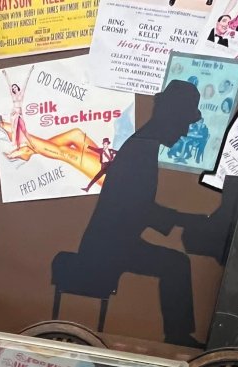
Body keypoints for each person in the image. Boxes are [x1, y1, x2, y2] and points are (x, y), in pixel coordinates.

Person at [70, 80, 206, 347]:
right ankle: (178, 337)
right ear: (172, 117)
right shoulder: (141, 150)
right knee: (176, 264)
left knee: (175, 263)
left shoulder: (142, 145)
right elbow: (137, 208)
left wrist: (180, 220)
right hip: (107, 248)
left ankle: (178, 335)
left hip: (112, 243)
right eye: (184, 122)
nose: (184, 131)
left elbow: (136, 207)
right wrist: (185, 220)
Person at [0, 65, 34, 154]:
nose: (14, 88)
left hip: (20, 113)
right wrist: (5, 74)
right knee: (15, 130)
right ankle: (17, 147)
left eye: (15, 87)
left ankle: (32, 144)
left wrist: (30, 71)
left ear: (17, 87)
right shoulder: (13, 95)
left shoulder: (21, 93)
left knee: (24, 129)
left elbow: (26, 82)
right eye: (13, 88)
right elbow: (9, 84)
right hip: (14, 113)